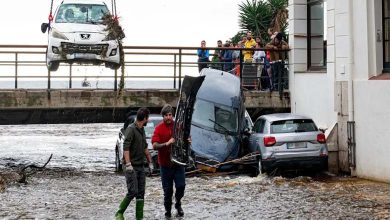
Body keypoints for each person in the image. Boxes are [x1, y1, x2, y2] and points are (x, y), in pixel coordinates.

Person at [115, 107, 153, 220]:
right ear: (145, 118)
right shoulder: (131, 129)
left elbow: (145, 147)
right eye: (148, 118)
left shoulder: (142, 129)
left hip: (141, 166)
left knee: (141, 193)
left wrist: (150, 162)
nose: (148, 120)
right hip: (131, 166)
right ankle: (119, 212)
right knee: (133, 191)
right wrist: (128, 164)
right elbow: (126, 147)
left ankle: (139, 218)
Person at [152, 104, 186, 218]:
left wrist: (188, 140)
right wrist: (166, 143)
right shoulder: (158, 128)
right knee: (167, 191)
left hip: (178, 164)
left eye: (170, 115)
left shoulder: (178, 126)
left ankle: (178, 203)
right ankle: (168, 211)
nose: (168, 117)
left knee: (181, 186)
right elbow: (154, 145)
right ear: (163, 116)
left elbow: (185, 138)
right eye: (166, 115)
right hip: (165, 166)